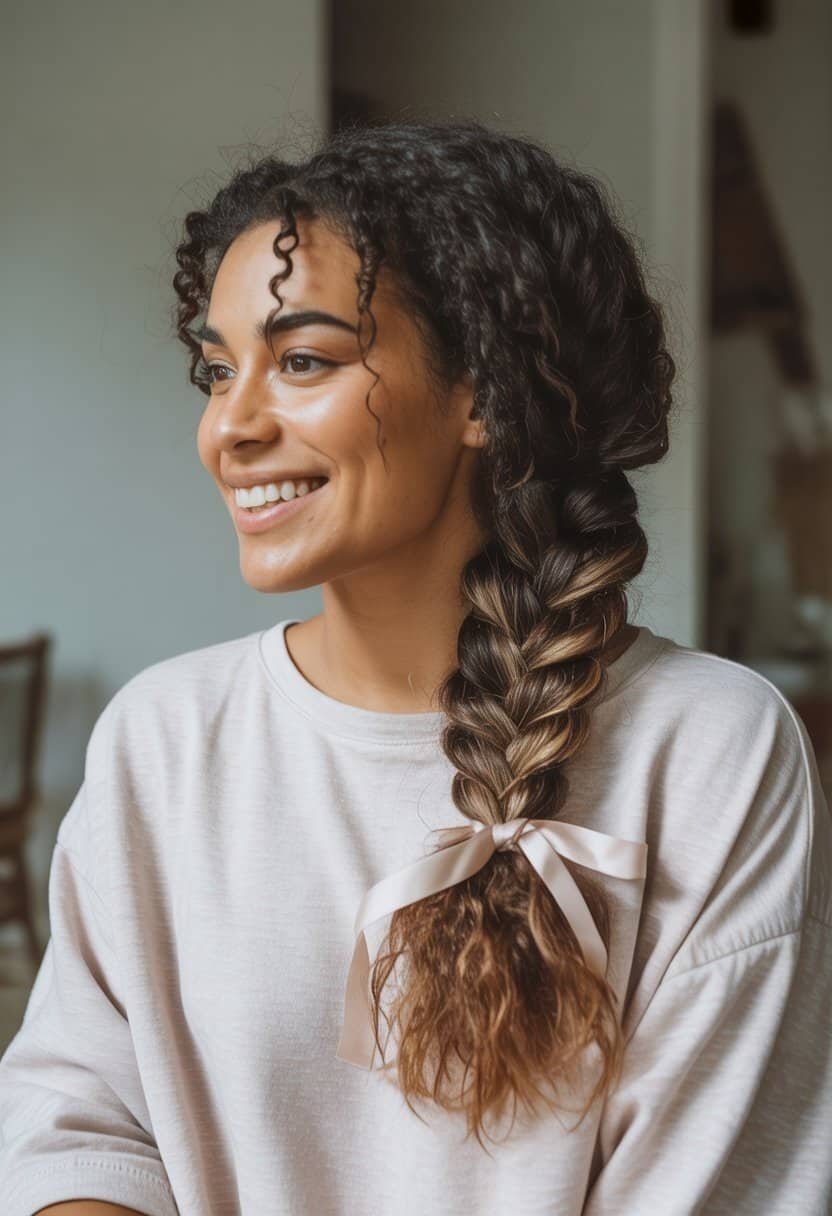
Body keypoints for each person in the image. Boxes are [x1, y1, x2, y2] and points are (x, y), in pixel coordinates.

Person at [1, 118, 830, 1216]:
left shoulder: (710, 749)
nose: (227, 428)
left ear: (485, 392)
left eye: (301, 359)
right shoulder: (164, 740)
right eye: (215, 369)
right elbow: (82, 1127)